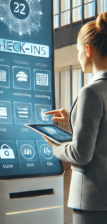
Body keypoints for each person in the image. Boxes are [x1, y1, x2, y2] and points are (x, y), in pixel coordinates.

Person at [44, 12, 107, 224]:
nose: (78, 56)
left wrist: (53, 144)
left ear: (88, 50)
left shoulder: (91, 92)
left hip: (92, 201)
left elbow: (81, 154)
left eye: (78, 50)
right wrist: (73, 116)